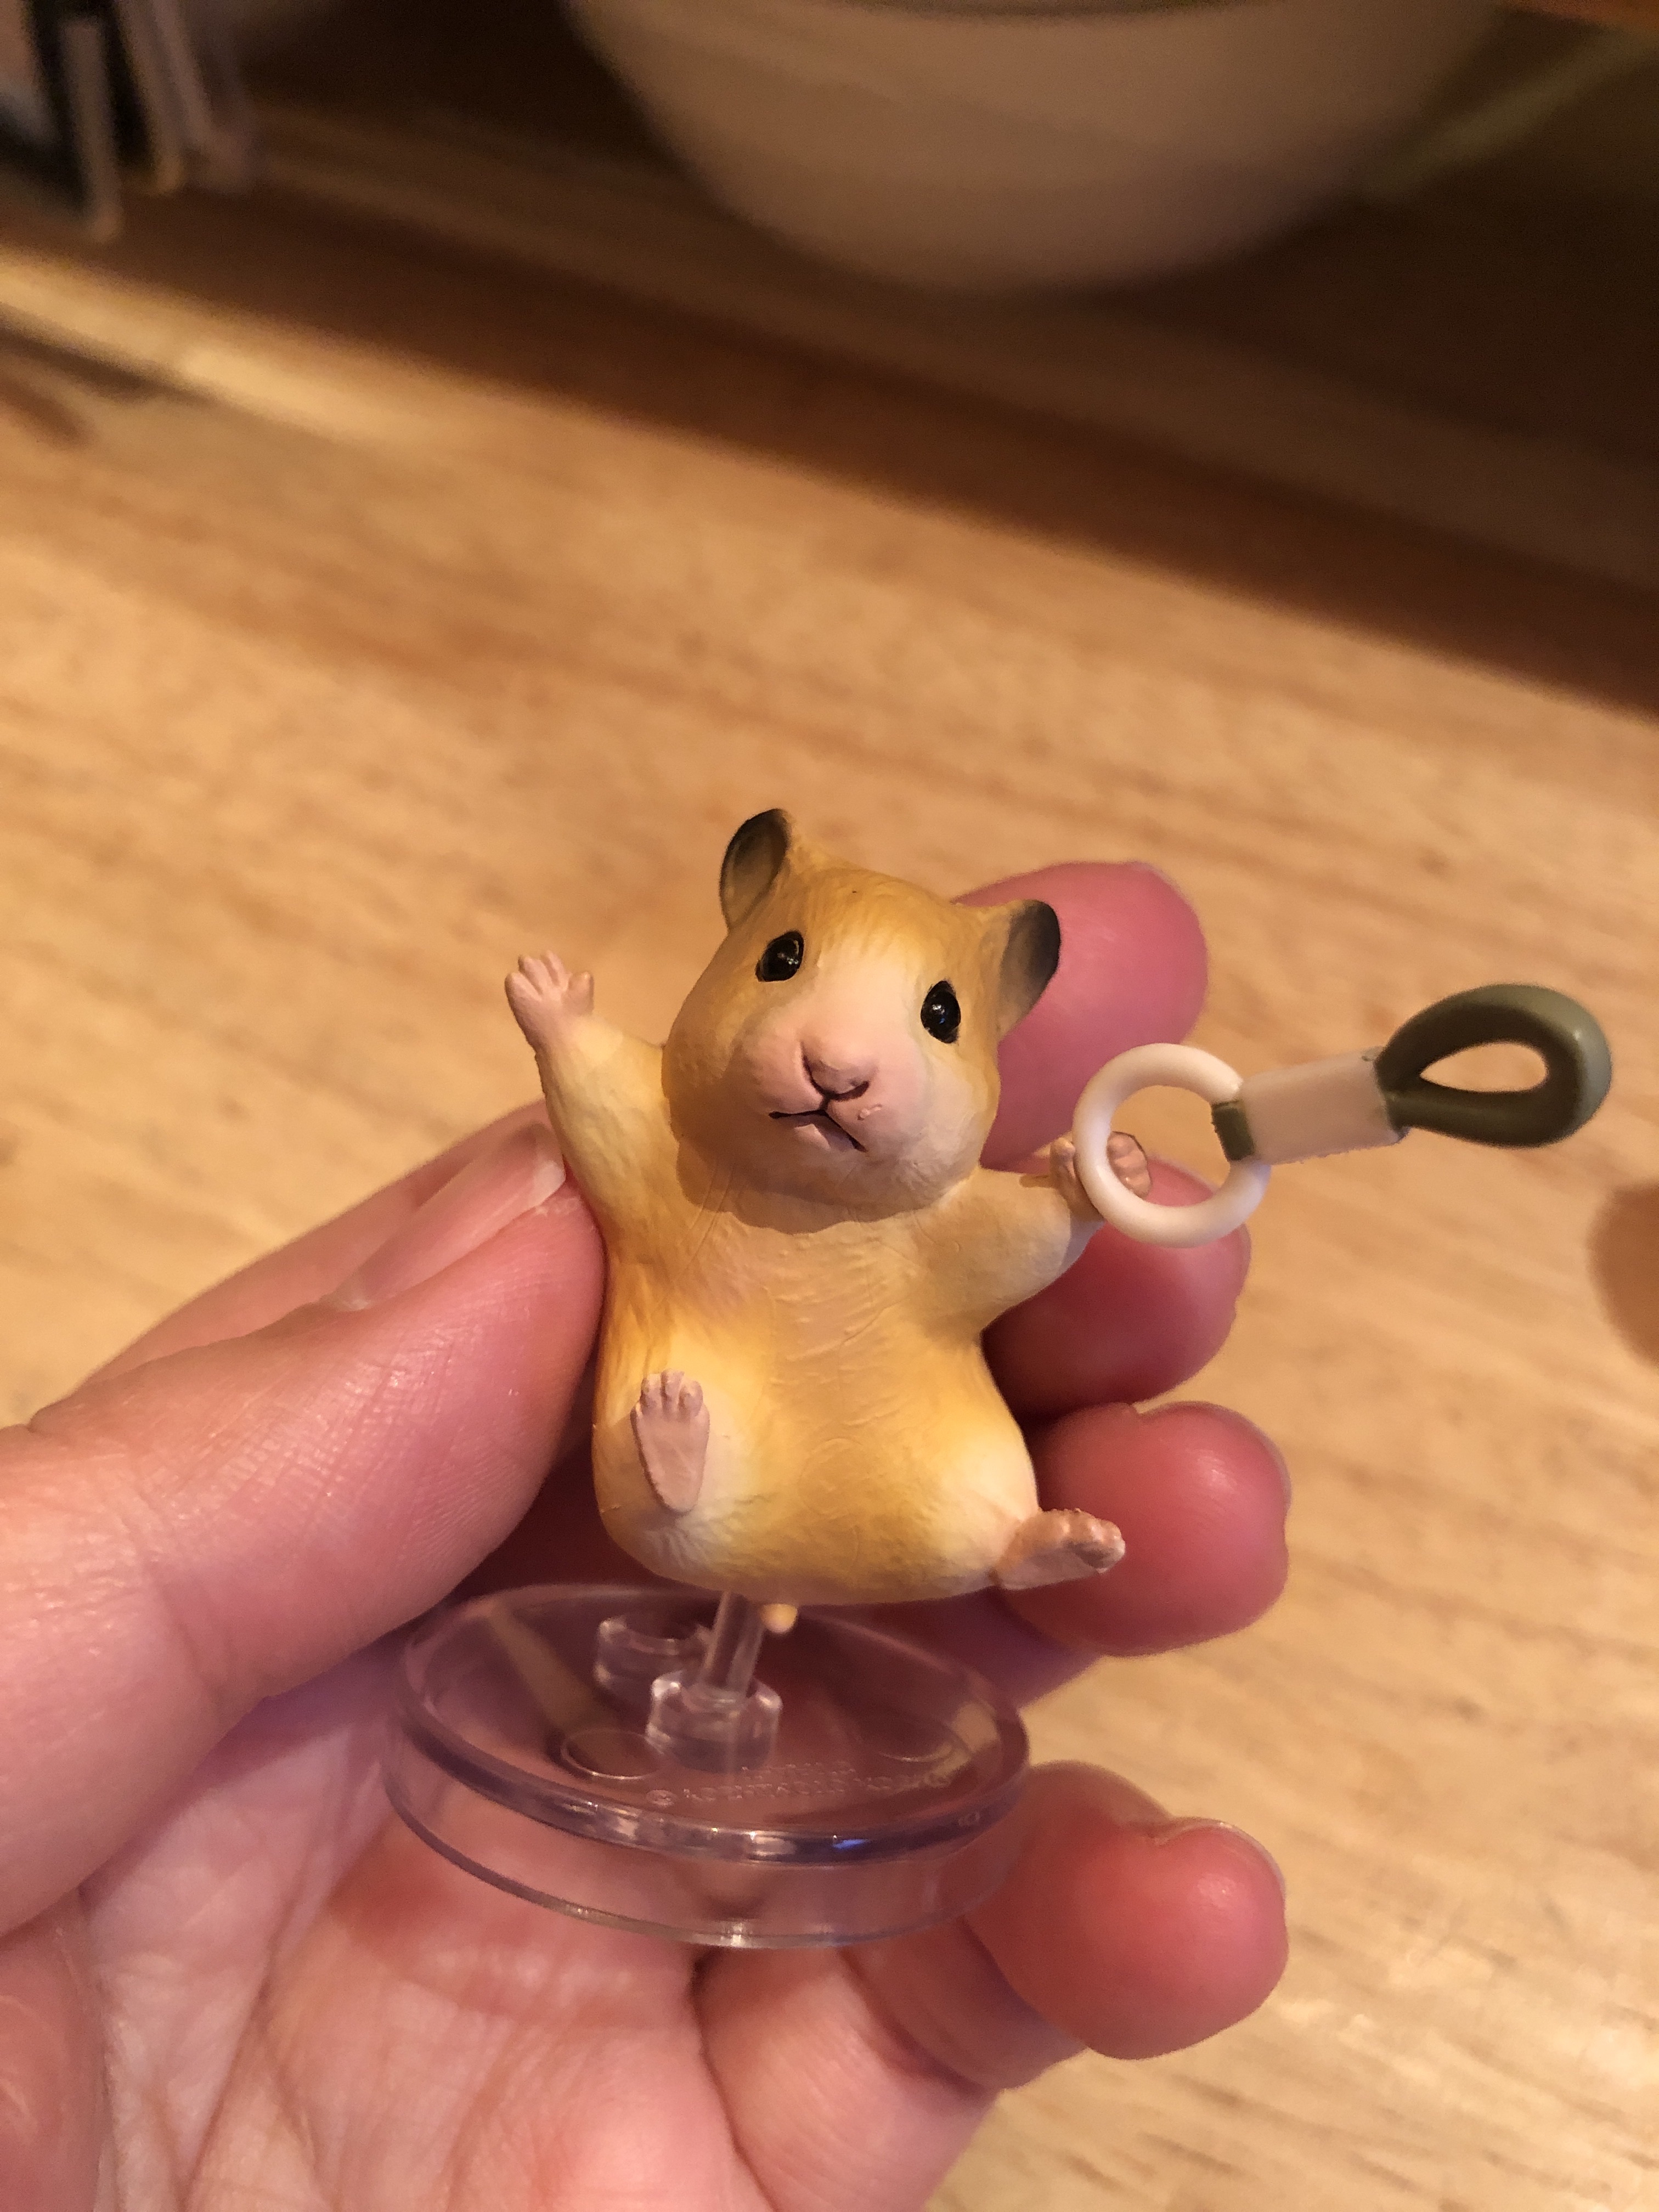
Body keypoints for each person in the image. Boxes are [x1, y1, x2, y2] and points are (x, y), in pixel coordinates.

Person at [0, 860, 1290, 2208]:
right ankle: (691, 1492)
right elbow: (618, 1113)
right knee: (679, 1441)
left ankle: (1005, 1542)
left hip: (896, 1450)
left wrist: (1074, 1202)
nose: (841, 1063)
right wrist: (570, 1038)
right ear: (739, 944)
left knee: (963, 1494)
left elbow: (1000, 1241)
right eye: (786, 967)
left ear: (988, 1030)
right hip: (703, 1421)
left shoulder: (932, 1220)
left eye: (932, 1020)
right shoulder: (685, 1152)